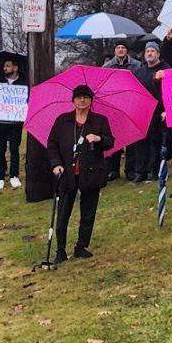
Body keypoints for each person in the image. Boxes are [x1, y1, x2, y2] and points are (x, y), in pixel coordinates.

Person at [45, 84, 113, 262]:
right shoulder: (63, 120)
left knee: (88, 211)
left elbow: (110, 142)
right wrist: (56, 164)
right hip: (66, 173)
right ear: (73, 100)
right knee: (63, 212)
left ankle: (81, 246)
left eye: (86, 97)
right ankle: (60, 249)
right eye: (78, 97)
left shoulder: (100, 120)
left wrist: (99, 139)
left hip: (91, 173)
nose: (82, 100)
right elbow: (52, 143)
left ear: (91, 100)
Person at [126, 41, 168, 187]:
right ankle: (140, 171)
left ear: (158, 54)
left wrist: (166, 109)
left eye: (152, 51)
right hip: (141, 111)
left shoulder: (165, 69)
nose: (150, 53)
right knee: (140, 143)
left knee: (155, 142)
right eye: (147, 51)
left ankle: (153, 170)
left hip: (158, 112)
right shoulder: (140, 70)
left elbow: (169, 91)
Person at [0, 58, 27, 192]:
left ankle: (14, 175)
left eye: (8, 66)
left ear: (15, 68)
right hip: (0, 121)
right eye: (4, 66)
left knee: (14, 148)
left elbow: (29, 96)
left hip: (15, 121)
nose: (5, 68)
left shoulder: (24, 82)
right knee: (0, 150)